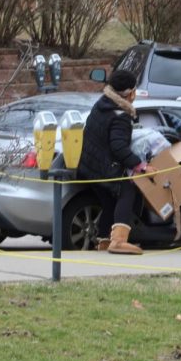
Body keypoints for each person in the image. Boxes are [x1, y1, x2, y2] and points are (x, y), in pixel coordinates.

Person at [77, 70, 156, 255]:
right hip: (106, 167)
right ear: (130, 93)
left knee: (109, 202)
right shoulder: (121, 115)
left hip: (90, 165)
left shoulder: (102, 105)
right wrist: (141, 166)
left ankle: (105, 240)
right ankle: (119, 241)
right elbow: (118, 147)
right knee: (127, 191)